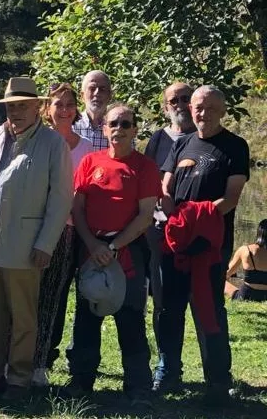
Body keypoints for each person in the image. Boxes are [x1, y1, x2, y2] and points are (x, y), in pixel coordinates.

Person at [0, 77, 72, 400]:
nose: (16, 111)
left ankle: (19, 379)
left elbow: (62, 200)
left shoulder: (53, 144)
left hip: (26, 243)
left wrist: (44, 244)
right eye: (11, 106)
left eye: (23, 105)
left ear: (38, 106)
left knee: (23, 315)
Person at [154, 85, 250, 402]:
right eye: (197, 107)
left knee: (209, 312)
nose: (201, 113)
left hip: (210, 246)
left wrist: (197, 221)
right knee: (170, 309)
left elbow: (231, 197)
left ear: (222, 110)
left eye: (208, 107)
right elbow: (165, 189)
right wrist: (178, 222)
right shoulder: (181, 144)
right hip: (177, 244)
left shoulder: (235, 147)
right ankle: (168, 375)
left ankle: (218, 382)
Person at [64, 103, 161, 405]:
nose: (119, 129)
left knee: (130, 320)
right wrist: (93, 245)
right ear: (104, 129)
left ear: (134, 129)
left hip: (127, 252)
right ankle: (81, 382)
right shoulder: (90, 162)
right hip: (91, 250)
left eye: (126, 123)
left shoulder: (145, 167)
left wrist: (114, 246)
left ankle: (138, 387)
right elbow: (77, 208)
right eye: (113, 124)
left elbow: (146, 215)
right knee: (86, 319)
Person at [32, 83, 93, 387]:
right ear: (47, 109)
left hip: (67, 231)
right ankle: (13, 358)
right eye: (59, 104)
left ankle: (40, 363)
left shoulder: (86, 148)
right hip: (33, 228)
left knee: (52, 298)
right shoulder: (37, 140)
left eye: (70, 104)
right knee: (25, 295)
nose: (65, 109)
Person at [142, 82, 196, 356]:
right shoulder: (158, 139)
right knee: (161, 298)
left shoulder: (204, 138)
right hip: (160, 230)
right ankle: (165, 360)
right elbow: (147, 181)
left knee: (196, 300)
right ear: (166, 108)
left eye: (185, 99)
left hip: (196, 232)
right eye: (174, 101)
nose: (180, 105)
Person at [225, 219, 267, 301]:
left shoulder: (245, 250)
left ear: (259, 232)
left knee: (221, 281)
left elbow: (227, 273)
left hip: (246, 296)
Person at [73, 70, 113, 151]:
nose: (97, 93)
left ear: (110, 96)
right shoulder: (71, 126)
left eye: (102, 89)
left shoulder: (120, 128)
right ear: (82, 96)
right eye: (92, 88)